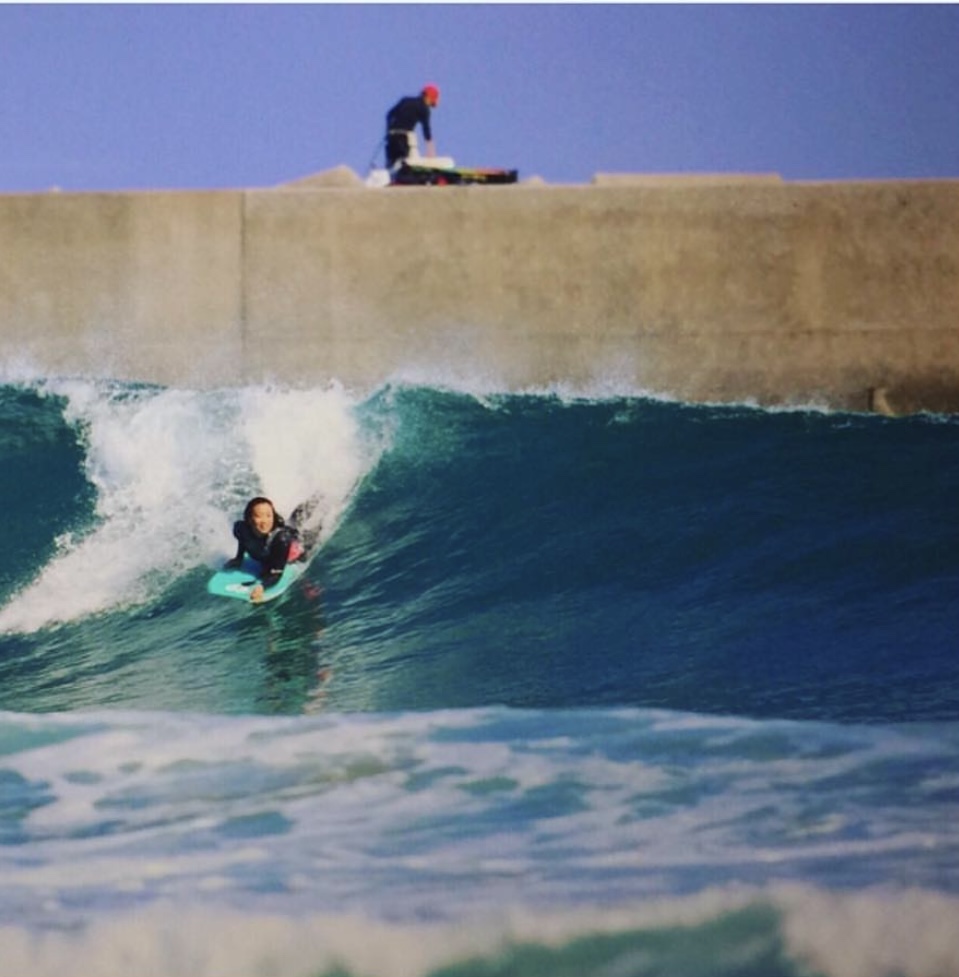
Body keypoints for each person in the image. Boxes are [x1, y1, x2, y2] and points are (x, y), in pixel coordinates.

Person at [225, 496, 320, 603]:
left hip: (295, 550)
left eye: (268, 516)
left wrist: (262, 587)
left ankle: (317, 499)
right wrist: (239, 558)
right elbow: (243, 540)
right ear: (249, 519)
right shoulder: (240, 528)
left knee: (310, 534)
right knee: (293, 522)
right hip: (276, 543)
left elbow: (276, 574)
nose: (264, 521)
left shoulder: (281, 539)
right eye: (258, 516)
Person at [385, 83, 440, 169]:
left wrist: (388, 131)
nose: (430, 105)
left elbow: (389, 115)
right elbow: (426, 130)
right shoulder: (424, 109)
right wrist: (431, 152)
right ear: (429, 98)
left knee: (391, 165)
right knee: (403, 164)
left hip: (391, 138)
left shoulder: (405, 100)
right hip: (403, 139)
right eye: (432, 101)